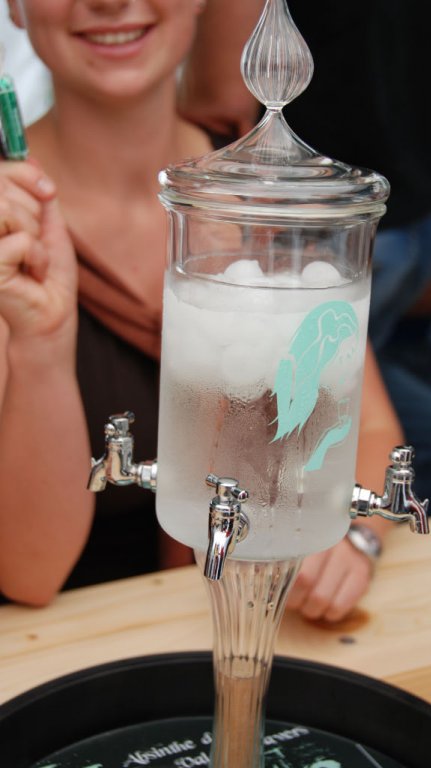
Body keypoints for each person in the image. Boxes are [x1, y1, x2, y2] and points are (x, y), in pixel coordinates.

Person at [0, 0, 403, 622]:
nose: (109, 2)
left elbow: (370, 428)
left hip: (260, 618)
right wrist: (43, 346)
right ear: (15, 8)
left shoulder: (270, 187)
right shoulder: (11, 227)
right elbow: (30, 572)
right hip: (81, 637)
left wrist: (356, 537)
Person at [178, 0, 431, 518]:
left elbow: (221, 95)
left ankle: (316, 535)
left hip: (312, 225)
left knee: (305, 421)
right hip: (413, 192)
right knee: (402, 424)